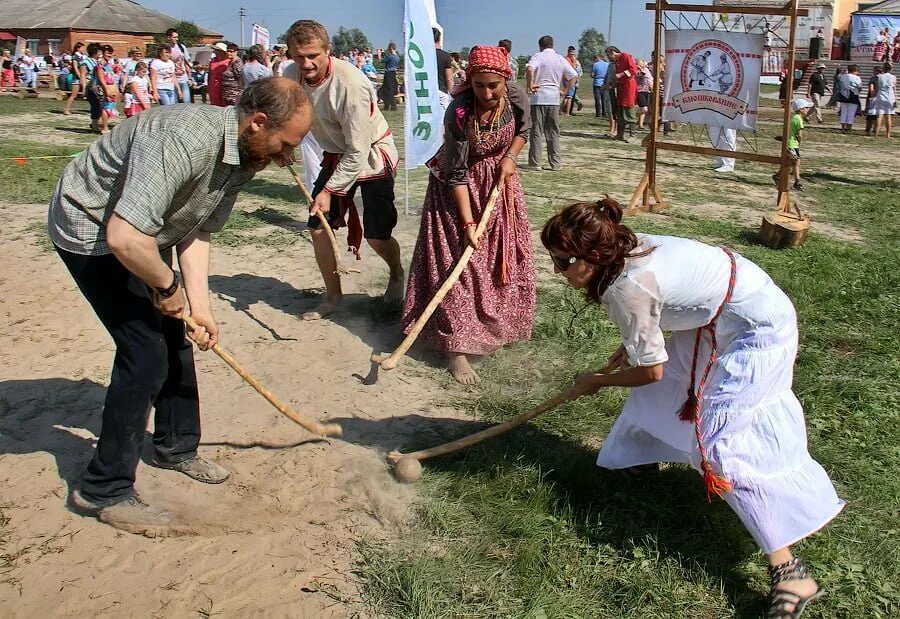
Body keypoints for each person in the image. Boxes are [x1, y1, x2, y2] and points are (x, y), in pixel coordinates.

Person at [542, 198, 843, 619]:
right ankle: (642, 460)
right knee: (668, 394)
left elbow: (651, 369)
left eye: (562, 261)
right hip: (721, 314)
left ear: (593, 256)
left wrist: (597, 383)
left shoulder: (629, 286)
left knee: (724, 445)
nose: (559, 271)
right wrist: (632, 344)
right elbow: (658, 311)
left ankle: (791, 572)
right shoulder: (626, 246)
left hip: (757, 327)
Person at [48, 77, 312, 535]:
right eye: (287, 145)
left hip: (147, 235)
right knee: (144, 354)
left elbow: (197, 228)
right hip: (94, 232)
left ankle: (176, 448)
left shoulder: (246, 152)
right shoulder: (182, 140)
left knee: (178, 337)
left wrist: (199, 307)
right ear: (258, 122)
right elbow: (124, 239)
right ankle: (102, 489)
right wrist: (169, 287)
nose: (288, 157)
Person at [402, 45, 536, 385]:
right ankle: (456, 349)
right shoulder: (459, 113)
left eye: (494, 85)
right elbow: (456, 174)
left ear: (505, 80)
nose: (487, 93)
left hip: (499, 186)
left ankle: (492, 329)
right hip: (455, 192)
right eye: (479, 86)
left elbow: (523, 130)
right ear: (470, 82)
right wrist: (467, 222)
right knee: (458, 265)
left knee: (495, 262)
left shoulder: (517, 97)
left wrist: (511, 157)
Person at [284, 20, 404, 321]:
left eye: (313, 55)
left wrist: (327, 190)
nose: (306, 63)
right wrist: (282, 145)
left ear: (328, 51)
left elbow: (359, 150)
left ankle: (396, 272)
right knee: (318, 227)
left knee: (377, 235)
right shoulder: (289, 76)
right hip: (336, 153)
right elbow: (287, 116)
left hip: (371, 154)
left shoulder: (351, 84)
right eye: (299, 56)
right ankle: (333, 297)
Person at [525, 35, 577, 171]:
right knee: (553, 132)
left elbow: (530, 69)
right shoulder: (559, 58)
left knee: (536, 131)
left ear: (540, 46)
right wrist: (565, 90)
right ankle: (555, 163)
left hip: (538, 98)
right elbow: (574, 75)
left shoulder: (538, 56)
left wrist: (530, 84)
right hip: (553, 98)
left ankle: (535, 163)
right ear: (552, 45)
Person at [775, 98, 812, 190]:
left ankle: (778, 176)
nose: (808, 110)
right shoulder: (799, 119)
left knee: (790, 162)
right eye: (806, 108)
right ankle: (797, 181)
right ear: (801, 109)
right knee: (796, 162)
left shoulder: (794, 118)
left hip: (790, 143)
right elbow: (800, 134)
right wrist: (799, 141)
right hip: (793, 144)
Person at [607, 46, 638, 141]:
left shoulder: (626, 56)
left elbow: (633, 70)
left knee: (629, 109)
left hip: (629, 87)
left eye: (608, 56)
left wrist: (622, 74)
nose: (608, 58)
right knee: (619, 110)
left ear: (613, 52)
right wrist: (613, 83)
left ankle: (633, 135)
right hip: (621, 88)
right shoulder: (616, 63)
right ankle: (620, 134)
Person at [165, 28, 193, 103]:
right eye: (174, 37)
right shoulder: (165, 49)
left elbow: (187, 62)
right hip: (171, 79)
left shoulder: (181, 47)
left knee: (186, 101)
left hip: (183, 77)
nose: (177, 39)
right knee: (174, 103)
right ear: (168, 37)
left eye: (177, 37)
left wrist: (190, 77)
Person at [872, 62, 896, 139]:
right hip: (890, 97)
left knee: (879, 115)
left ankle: (876, 133)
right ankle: (888, 134)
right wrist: (895, 99)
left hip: (881, 96)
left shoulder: (880, 77)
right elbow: (894, 88)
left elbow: (877, 87)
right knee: (888, 116)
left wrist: (874, 94)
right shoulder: (893, 77)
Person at [62, 42, 86, 115]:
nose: (84, 49)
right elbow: (75, 68)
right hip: (76, 77)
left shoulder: (83, 57)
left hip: (83, 76)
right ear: (78, 48)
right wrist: (80, 77)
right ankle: (66, 109)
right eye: (82, 48)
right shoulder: (75, 57)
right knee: (74, 94)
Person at [837, 64, 862, 132]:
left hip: (843, 95)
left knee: (844, 112)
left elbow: (840, 85)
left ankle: (843, 127)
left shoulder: (843, 76)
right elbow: (859, 87)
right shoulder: (857, 78)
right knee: (851, 112)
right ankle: (849, 127)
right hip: (853, 95)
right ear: (855, 71)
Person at [434, 28, 454, 110]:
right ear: (439, 38)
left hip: (426, 92)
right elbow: (449, 78)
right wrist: (452, 94)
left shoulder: (422, 57)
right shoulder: (445, 56)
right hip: (441, 91)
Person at [561, 46, 582, 115]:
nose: (573, 54)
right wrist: (574, 61)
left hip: (570, 79)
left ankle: (561, 110)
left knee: (567, 96)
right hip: (569, 79)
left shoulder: (570, 59)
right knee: (569, 97)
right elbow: (572, 69)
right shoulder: (567, 60)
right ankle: (566, 112)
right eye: (572, 53)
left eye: (574, 53)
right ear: (569, 52)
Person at [380, 42, 400, 110]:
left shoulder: (390, 57)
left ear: (391, 48)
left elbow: (381, 61)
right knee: (388, 89)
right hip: (393, 73)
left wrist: (379, 53)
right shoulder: (397, 57)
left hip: (388, 74)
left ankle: (393, 106)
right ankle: (387, 105)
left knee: (388, 90)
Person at [635, 59, 653, 130]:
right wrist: (639, 68)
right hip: (640, 91)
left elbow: (650, 78)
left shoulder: (646, 70)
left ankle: (640, 125)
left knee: (644, 108)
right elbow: (641, 75)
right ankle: (632, 116)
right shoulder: (637, 71)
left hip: (647, 91)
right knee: (644, 109)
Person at [591, 53, 610, 119]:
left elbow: (592, 75)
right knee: (604, 99)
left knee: (597, 99)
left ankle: (598, 113)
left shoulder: (595, 65)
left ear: (596, 58)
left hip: (597, 83)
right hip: (604, 83)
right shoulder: (607, 65)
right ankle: (605, 113)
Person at [865, 66, 882, 136]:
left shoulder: (874, 78)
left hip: (873, 97)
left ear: (876, 71)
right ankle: (876, 129)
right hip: (881, 97)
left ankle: (868, 129)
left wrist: (872, 95)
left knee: (870, 115)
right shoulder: (883, 78)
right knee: (878, 115)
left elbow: (871, 89)